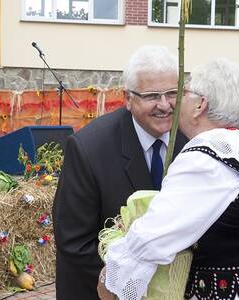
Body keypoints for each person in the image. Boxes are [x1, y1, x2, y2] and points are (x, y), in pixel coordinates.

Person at [98, 58, 239, 300]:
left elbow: (150, 241)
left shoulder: (206, 159)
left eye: (184, 91)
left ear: (200, 105)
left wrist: (109, 281)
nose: (176, 101)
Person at [52, 45, 188, 300]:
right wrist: (124, 285)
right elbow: (73, 240)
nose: (164, 105)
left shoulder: (191, 141)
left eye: (172, 93)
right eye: (151, 96)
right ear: (128, 98)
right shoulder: (88, 149)